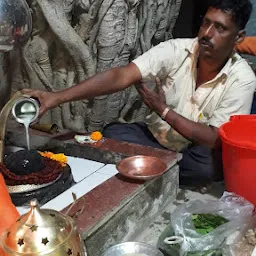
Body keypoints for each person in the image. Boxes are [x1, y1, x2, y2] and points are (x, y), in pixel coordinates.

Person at [24, 0, 256, 186]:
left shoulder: (243, 79)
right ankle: (158, 168)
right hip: (157, 139)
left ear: (238, 37)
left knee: (208, 169)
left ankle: (150, 166)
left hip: (197, 152)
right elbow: (122, 75)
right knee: (112, 134)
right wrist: (57, 97)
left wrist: (163, 110)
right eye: (206, 23)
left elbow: (215, 138)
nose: (207, 33)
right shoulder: (177, 49)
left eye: (220, 28)